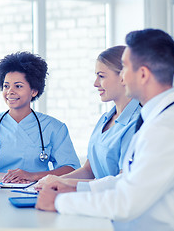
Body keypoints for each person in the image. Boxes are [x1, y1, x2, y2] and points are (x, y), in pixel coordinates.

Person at [36, 29, 174, 231]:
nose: (122, 77)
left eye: (125, 69)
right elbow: (129, 181)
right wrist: (73, 186)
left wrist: (59, 202)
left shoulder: (167, 128)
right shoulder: (157, 117)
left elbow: (126, 202)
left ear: (143, 74)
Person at [0, 51, 80, 183]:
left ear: (34, 91)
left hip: (38, 192)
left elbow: (70, 169)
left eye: (18, 86)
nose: (10, 91)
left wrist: (33, 176)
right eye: (6, 86)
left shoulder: (54, 128)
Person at [35, 46, 141, 191]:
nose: (95, 83)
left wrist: (64, 184)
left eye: (101, 76)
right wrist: (50, 182)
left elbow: (122, 182)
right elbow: (88, 171)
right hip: (96, 200)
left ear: (123, 76)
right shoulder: (105, 119)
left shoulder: (137, 123)